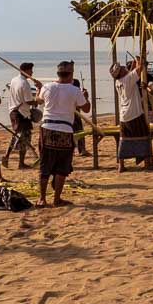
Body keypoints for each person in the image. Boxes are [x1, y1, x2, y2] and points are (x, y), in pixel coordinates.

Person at [36, 60, 91, 207]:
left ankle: (42, 198)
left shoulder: (47, 87)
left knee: (45, 165)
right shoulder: (74, 90)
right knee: (62, 166)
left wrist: (39, 89)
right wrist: (86, 96)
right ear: (71, 74)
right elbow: (86, 109)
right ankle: (56, 199)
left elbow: (38, 100)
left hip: (47, 128)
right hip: (65, 130)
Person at [113, 57, 153, 171]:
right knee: (143, 136)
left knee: (124, 138)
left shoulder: (118, 81)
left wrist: (134, 64)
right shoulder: (128, 79)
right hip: (134, 113)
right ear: (120, 72)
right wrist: (139, 60)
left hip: (123, 114)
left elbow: (131, 72)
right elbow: (139, 68)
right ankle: (146, 164)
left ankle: (121, 165)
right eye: (122, 68)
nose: (124, 68)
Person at [6, 63, 40, 170]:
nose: (32, 73)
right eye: (30, 70)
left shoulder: (14, 80)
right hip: (22, 114)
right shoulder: (24, 83)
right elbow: (29, 101)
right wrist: (38, 97)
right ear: (25, 70)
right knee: (25, 138)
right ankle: (21, 163)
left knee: (16, 135)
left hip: (13, 111)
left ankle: (6, 156)